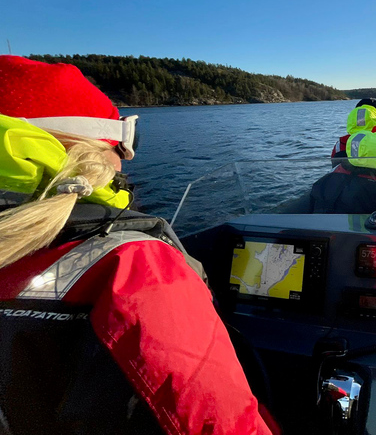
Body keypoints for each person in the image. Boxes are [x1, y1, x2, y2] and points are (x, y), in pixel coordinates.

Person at [0, 56, 276, 435]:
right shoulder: (134, 265)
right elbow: (221, 425)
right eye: (123, 146)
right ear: (90, 149)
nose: (126, 162)